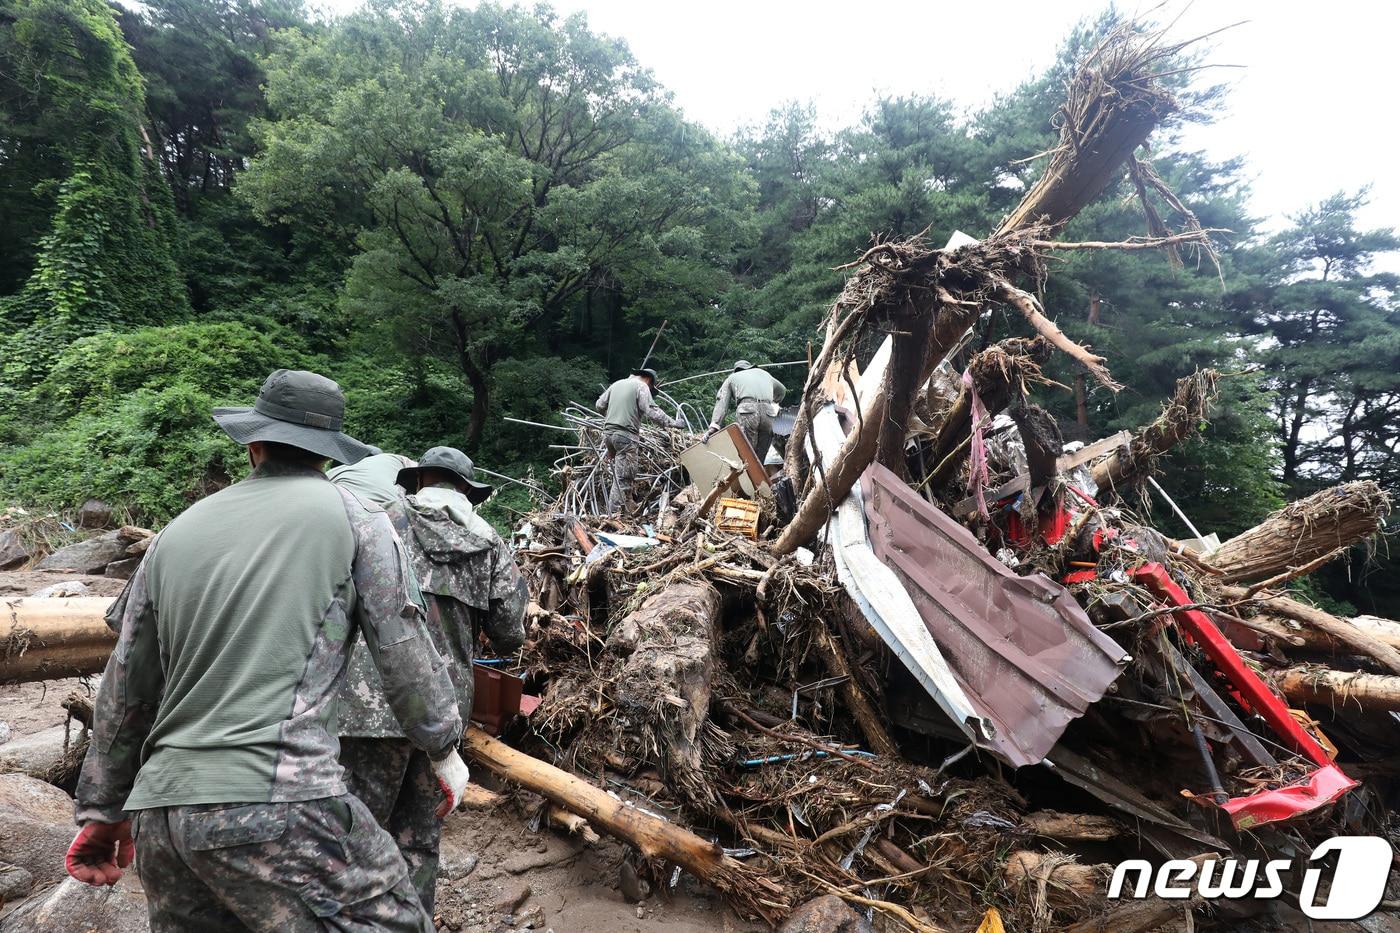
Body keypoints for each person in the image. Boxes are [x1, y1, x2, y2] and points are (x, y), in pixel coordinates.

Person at [66, 369, 470, 933]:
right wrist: (443, 748)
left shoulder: (175, 533)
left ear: (252, 444)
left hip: (162, 820)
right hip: (280, 803)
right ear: (327, 454)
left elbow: (126, 685)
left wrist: (103, 811)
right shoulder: (360, 520)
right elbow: (404, 648)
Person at [334, 446, 528, 914]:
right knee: (418, 840)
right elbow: (509, 635)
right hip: (441, 716)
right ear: (465, 489)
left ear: (418, 481)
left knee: (352, 837)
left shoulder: (376, 519)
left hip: (367, 706)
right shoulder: (487, 541)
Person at [594, 367, 679, 513]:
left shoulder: (616, 384)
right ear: (649, 380)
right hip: (625, 436)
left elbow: (599, 405)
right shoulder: (642, 386)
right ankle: (614, 515)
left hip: (608, 435)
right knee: (624, 477)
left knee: (620, 474)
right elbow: (651, 411)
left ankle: (625, 509)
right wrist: (673, 423)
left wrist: (612, 416)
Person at [707, 360, 787, 462]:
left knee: (748, 452)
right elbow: (782, 390)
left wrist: (714, 426)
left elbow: (722, 401)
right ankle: (760, 475)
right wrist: (774, 400)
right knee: (760, 455)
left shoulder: (732, 377)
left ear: (736, 370)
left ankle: (749, 474)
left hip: (747, 411)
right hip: (769, 413)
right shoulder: (765, 374)